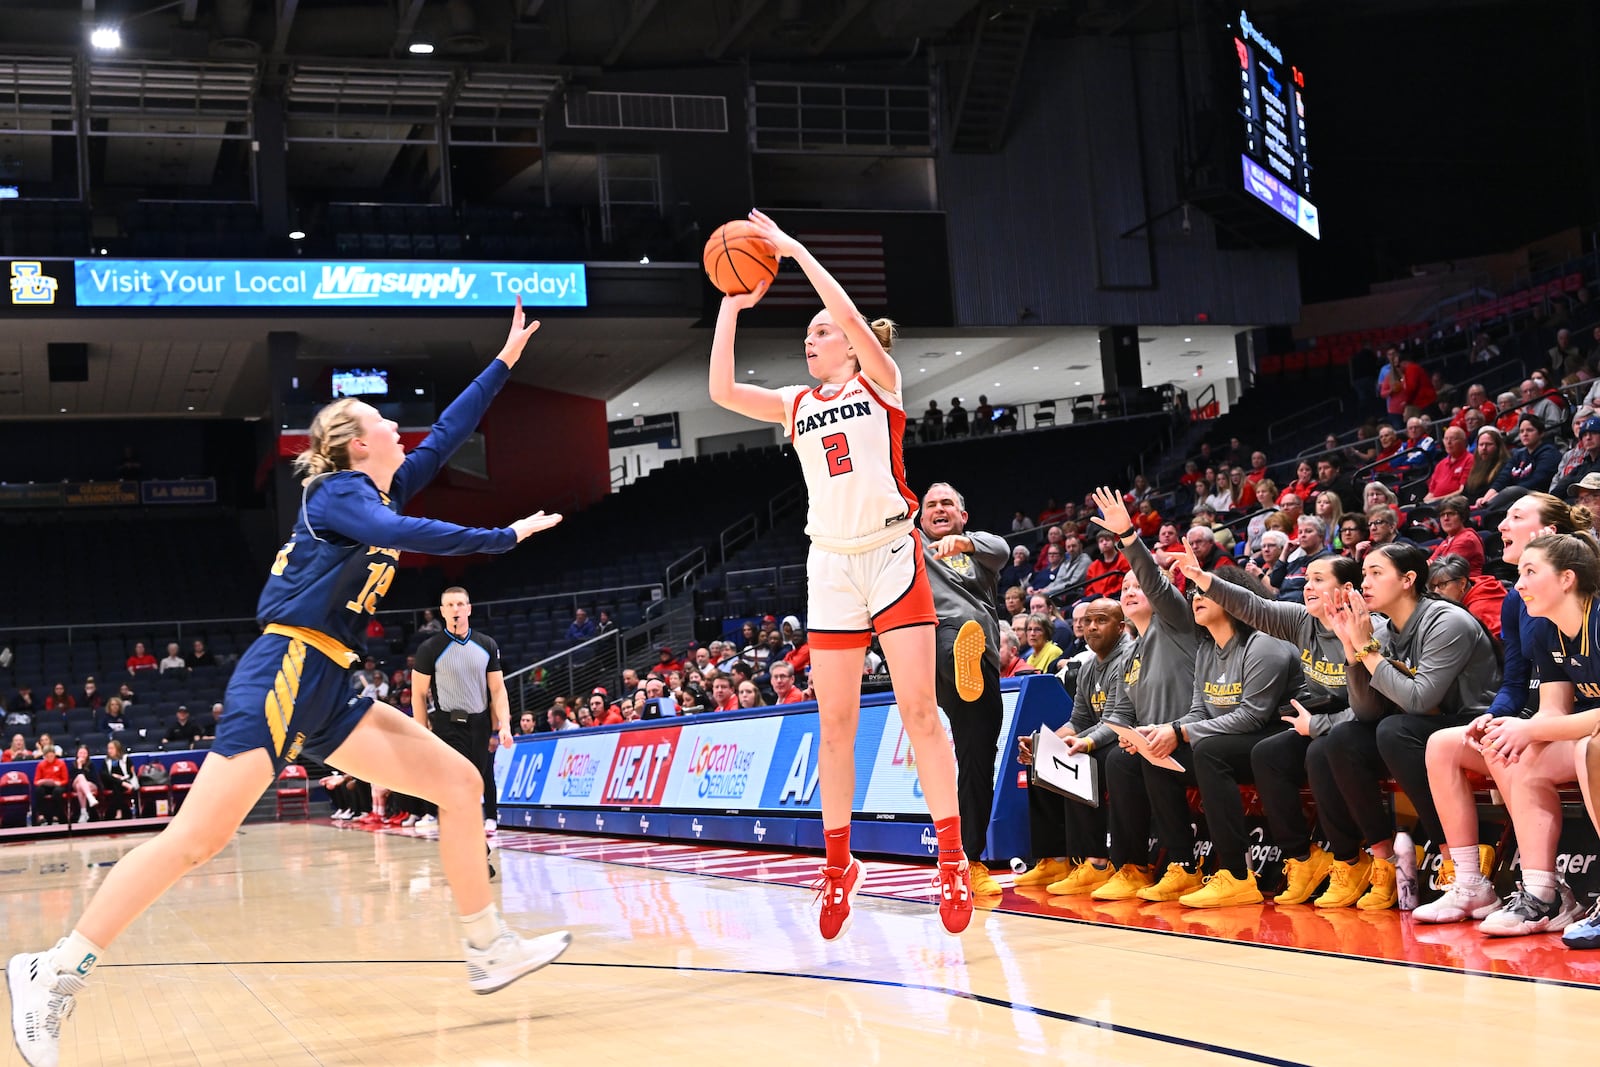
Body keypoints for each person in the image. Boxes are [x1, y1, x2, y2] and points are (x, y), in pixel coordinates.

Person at [7, 300, 571, 1067]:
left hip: (333, 687)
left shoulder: (382, 488)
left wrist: (504, 359)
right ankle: (52, 969)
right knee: (194, 842)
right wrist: (503, 536)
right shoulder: (337, 495)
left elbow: (445, 434)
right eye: (381, 423)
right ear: (350, 443)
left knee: (461, 783)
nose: (396, 430)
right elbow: (407, 535)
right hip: (285, 669)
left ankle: (486, 945)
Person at [707, 209, 970, 939]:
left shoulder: (881, 387)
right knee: (836, 727)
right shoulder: (795, 404)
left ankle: (950, 857)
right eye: (811, 331)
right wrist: (731, 304)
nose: (813, 337)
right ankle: (837, 864)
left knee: (920, 711)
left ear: (850, 349)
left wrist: (794, 251)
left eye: (823, 331)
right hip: (830, 564)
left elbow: (850, 313)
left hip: (891, 556)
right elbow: (723, 389)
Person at [1318, 544, 1501, 910]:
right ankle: (1384, 860)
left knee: (1396, 731)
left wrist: (1366, 649)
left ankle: (1457, 857)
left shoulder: (1446, 622)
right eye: (1363, 574)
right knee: (1341, 740)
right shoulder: (1383, 631)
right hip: (1423, 725)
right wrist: (1352, 649)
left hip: (1474, 723)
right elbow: (1367, 711)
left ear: (1408, 580)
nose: (1363, 582)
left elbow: (1418, 700)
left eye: (1375, 573)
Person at [1178, 550, 1363, 905]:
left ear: (1347, 588)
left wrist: (1322, 724)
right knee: (1270, 754)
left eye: (1318, 580)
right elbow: (1254, 605)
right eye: (1306, 579)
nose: (1307, 587)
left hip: (1356, 722)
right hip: (1315, 721)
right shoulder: (1300, 621)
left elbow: (1373, 707)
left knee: (1322, 750)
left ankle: (1354, 860)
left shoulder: (1370, 627)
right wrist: (1203, 579)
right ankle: (1302, 858)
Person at [918, 482, 1008, 897]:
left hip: (982, 658)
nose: (939, 509)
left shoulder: (979, 553)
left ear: (963, 516)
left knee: (978, 758)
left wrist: (964, 544)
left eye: (948, 504)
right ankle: (957, 656)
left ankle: (968, 859)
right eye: (931, 504)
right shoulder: (910, 543)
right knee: (953, 633)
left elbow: (1002, 548)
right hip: (935, 642)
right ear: (920, 517)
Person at [1015, 598, 1133, 897]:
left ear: (1120, 627)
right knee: (1042, 757)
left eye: (1101, 620)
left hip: (1127, 740)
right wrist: (1048, 742)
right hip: (1098, 737)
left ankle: (1095, 863)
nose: (1091, 626)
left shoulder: (1128, 659)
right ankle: (1055, 858)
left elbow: (1118, 719)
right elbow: (1078, 719)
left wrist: (1082, 741)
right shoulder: (1088, 664)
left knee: (1081, 761)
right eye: (1088, 621)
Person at [413, 586, 512, 836]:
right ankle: (469, 838)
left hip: (479, 724)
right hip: (447, 723)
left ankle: (479, 827)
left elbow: (498, 690)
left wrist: (505, 726)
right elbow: (418, 693)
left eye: (460, 604)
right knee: (459, 782)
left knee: (477, 781)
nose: (455, 609)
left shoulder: (486, 645)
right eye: (450, 605)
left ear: (469, 608)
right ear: (442, 611)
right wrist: (421, 731)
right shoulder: (429, 648)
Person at [32, 744, 68, 825]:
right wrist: (41, 782)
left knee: (57, 791)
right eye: (48, 756)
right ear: (45, 756)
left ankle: (56, 816)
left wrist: (59, 783)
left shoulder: (61, 763)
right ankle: (41, 816)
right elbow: (36, 781)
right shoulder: (41, 765)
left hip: (58, 785)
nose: (50, 758)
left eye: (52, 756)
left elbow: (65, 780)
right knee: (38, 790)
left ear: (54, 754)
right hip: (45, 786)